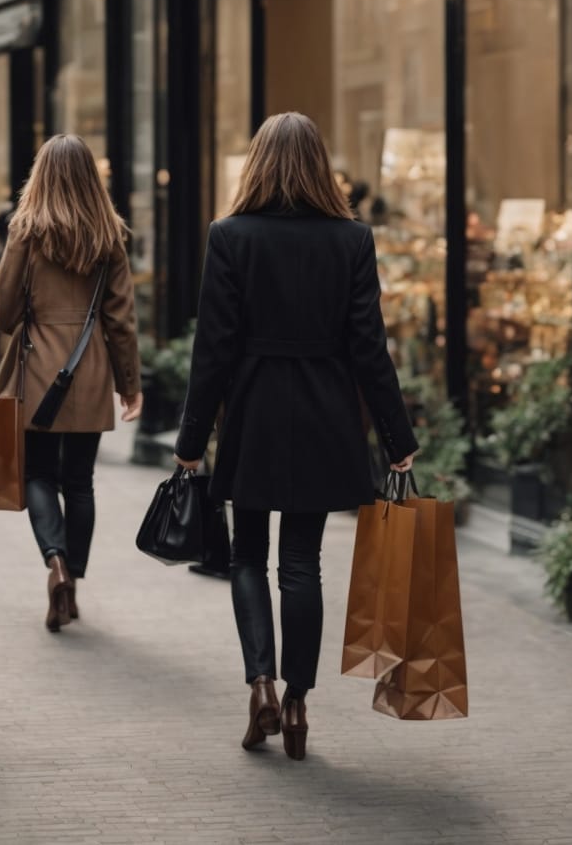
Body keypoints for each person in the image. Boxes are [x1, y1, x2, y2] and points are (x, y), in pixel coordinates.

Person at [174, 111, 418, 762]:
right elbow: (370, 349)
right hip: (324, 416)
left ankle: (261, 683)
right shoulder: (351, 239)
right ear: (319, 166)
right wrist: (397, 438)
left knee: (247, 555)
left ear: (257, 164)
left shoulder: (229, 236)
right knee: (302, 561)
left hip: (253, 412)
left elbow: (212, 350)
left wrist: (191, 440)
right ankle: (299, 701)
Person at [0, 136, 142, 632]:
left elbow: (4, 314)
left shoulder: (25, 231)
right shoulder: (109, 235)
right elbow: (121, 320)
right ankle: (72, 577)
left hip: (38, 368)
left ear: (41, 176)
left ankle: (53, 561)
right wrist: (130, 383)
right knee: (80, 481)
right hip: (90, 367)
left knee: (37, 474)